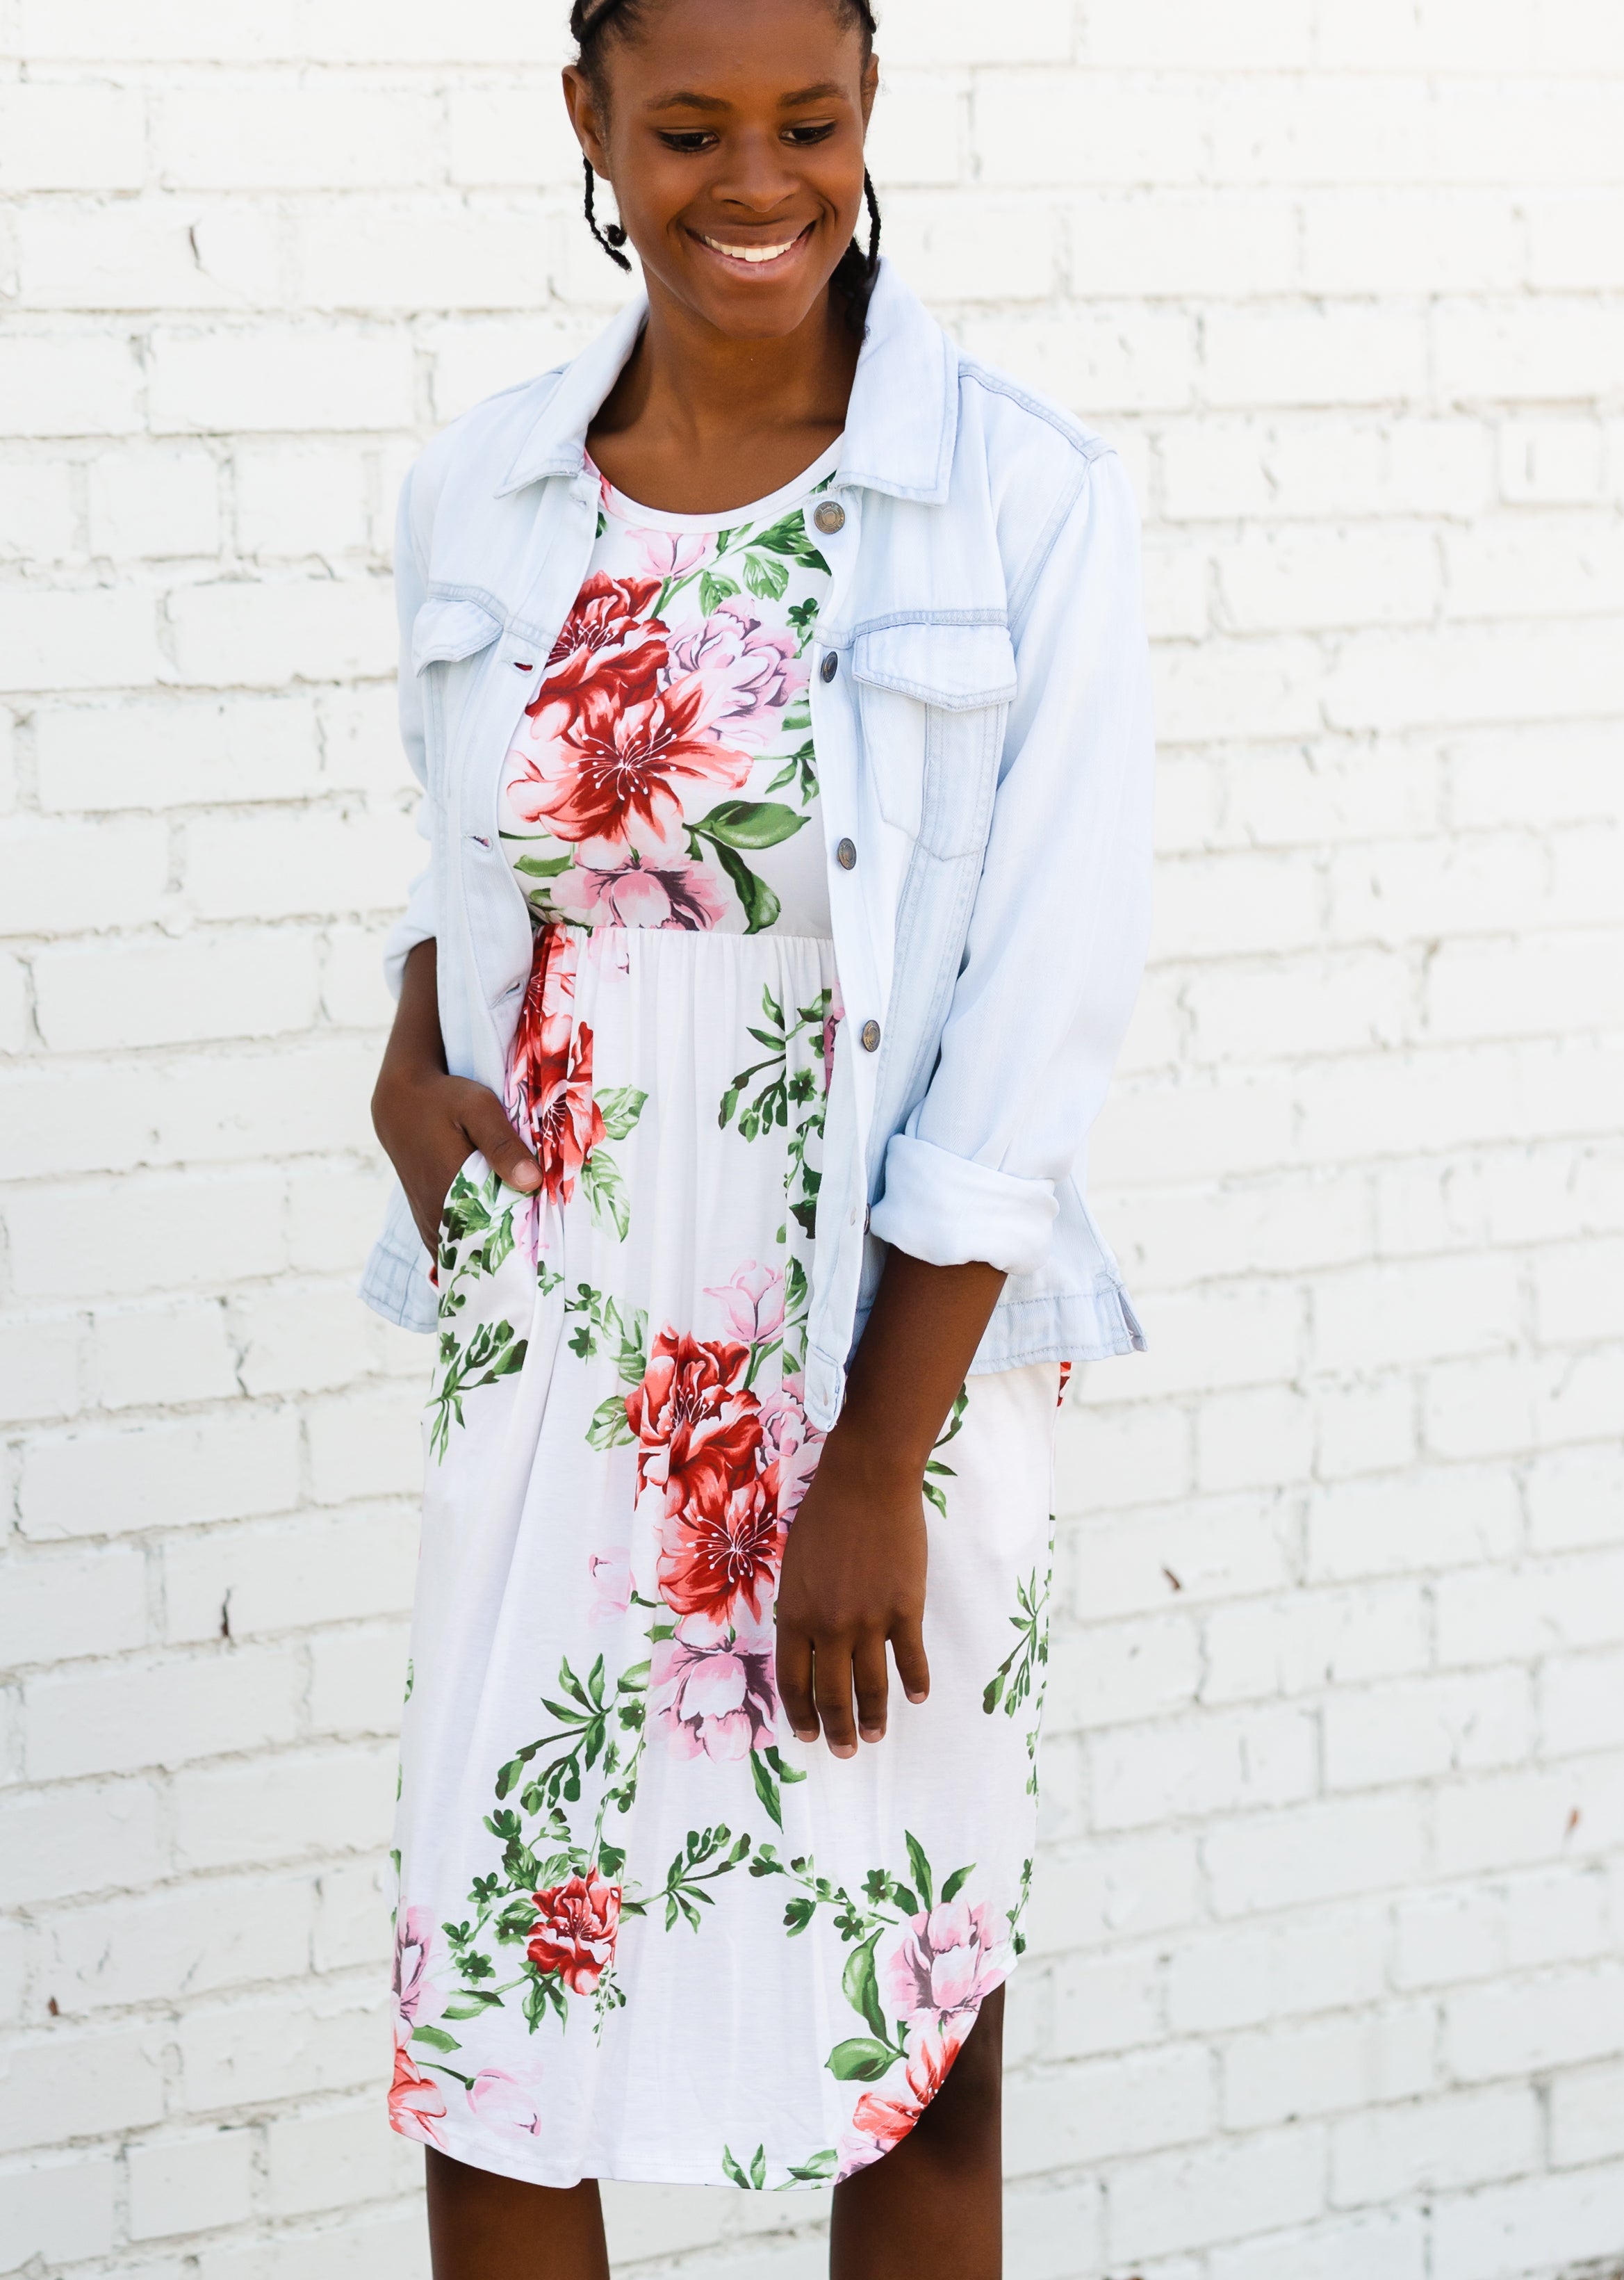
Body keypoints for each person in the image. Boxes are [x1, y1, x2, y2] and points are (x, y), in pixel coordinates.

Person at [363, 2, 1153, 2272]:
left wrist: (870, 1467)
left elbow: (1038, 1002)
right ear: (590, 122)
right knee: (500, 2035)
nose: (755, 182)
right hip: (555, 1348)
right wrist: (410, 1064)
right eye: (689, 125)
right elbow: (474, 861)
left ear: (868, 114)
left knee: (909, 2055)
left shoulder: (1017, 486)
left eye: (809, 121)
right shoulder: (486, 483)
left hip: (863, 1356)